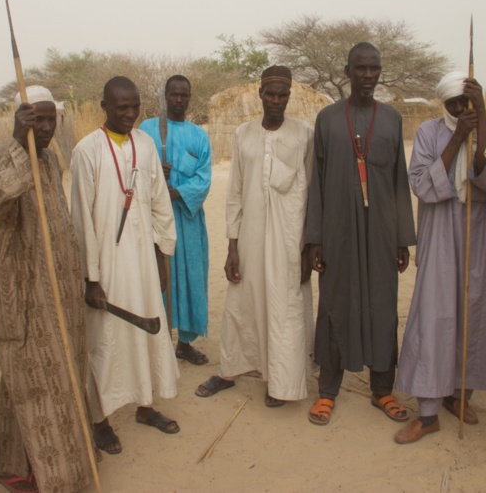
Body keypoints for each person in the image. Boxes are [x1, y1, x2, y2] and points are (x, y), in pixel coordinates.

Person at [0, 86, 92, 492]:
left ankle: (16, 464)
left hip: (60, 288)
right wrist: (15, 143)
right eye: (35, 120)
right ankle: (54, 476)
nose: (44, 128)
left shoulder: (52, 156)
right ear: (20, 119)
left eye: (49, 120)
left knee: (51, 372)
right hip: (24, 291)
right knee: (35, 376)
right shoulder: (0, 156)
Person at [393, 72, 486, 444]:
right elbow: (424, 186)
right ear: (443, 104)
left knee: (474, 311)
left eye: (466, 103)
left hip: (480, 236)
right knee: (435, 314)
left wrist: (479, 132)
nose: (460, 110)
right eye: (453, 104)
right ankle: (427, 412)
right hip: (441, 234)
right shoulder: (429, 132)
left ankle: (459, 395)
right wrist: (458, 137)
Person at [305, 43, 416, 426]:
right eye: (361, 68)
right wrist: (315, 238)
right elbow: (316, 183)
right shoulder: (328, 118)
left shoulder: (392, 118)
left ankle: (382, 389)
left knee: (383, 306)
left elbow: (400, 179)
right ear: (347, 71)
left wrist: (402, 236)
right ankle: (327, 392)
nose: (368, 75)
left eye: (374, 69)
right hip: (337, 228)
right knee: (335, 304)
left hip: (382, 230)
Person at [69, 76, 179, 456]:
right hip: (108, 269)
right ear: (104, 106)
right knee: (106, 341)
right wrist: (91, 278)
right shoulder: (86, 150)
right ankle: (101, 420)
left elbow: (160, 202)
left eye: (135, 106)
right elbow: (82, 218)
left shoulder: (146, 144)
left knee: (148, 328)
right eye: (121, 107)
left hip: (144, 262)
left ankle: (146, 407)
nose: (130, 113)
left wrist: (163, 255)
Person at [195, 66, 316, 407]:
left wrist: (308, 247)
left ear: (288, 97)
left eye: (283, 95)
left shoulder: (304, 134)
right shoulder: (243, 134)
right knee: (241, 300)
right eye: (271, 94)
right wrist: (232, 245)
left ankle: (281, 379)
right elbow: (235, 191)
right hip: (249, 236)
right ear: (260, 95)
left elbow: (312, 194)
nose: (276, 101)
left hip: (290, 238)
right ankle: (231, 369)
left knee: (284, 303)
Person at [140, 75, 212, 365]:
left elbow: (204, 177)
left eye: (184, 95)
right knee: (158, 279)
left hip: (188, 220)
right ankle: (156, 343)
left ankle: (184, 343)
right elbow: (134, 167)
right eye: (174, 95)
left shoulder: (199, 136)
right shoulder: (146, 130)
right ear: (165, 96)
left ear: (190, 97)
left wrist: (177, 191)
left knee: (191, 278)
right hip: (155, 220)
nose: (179, 100)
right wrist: (156, 178)